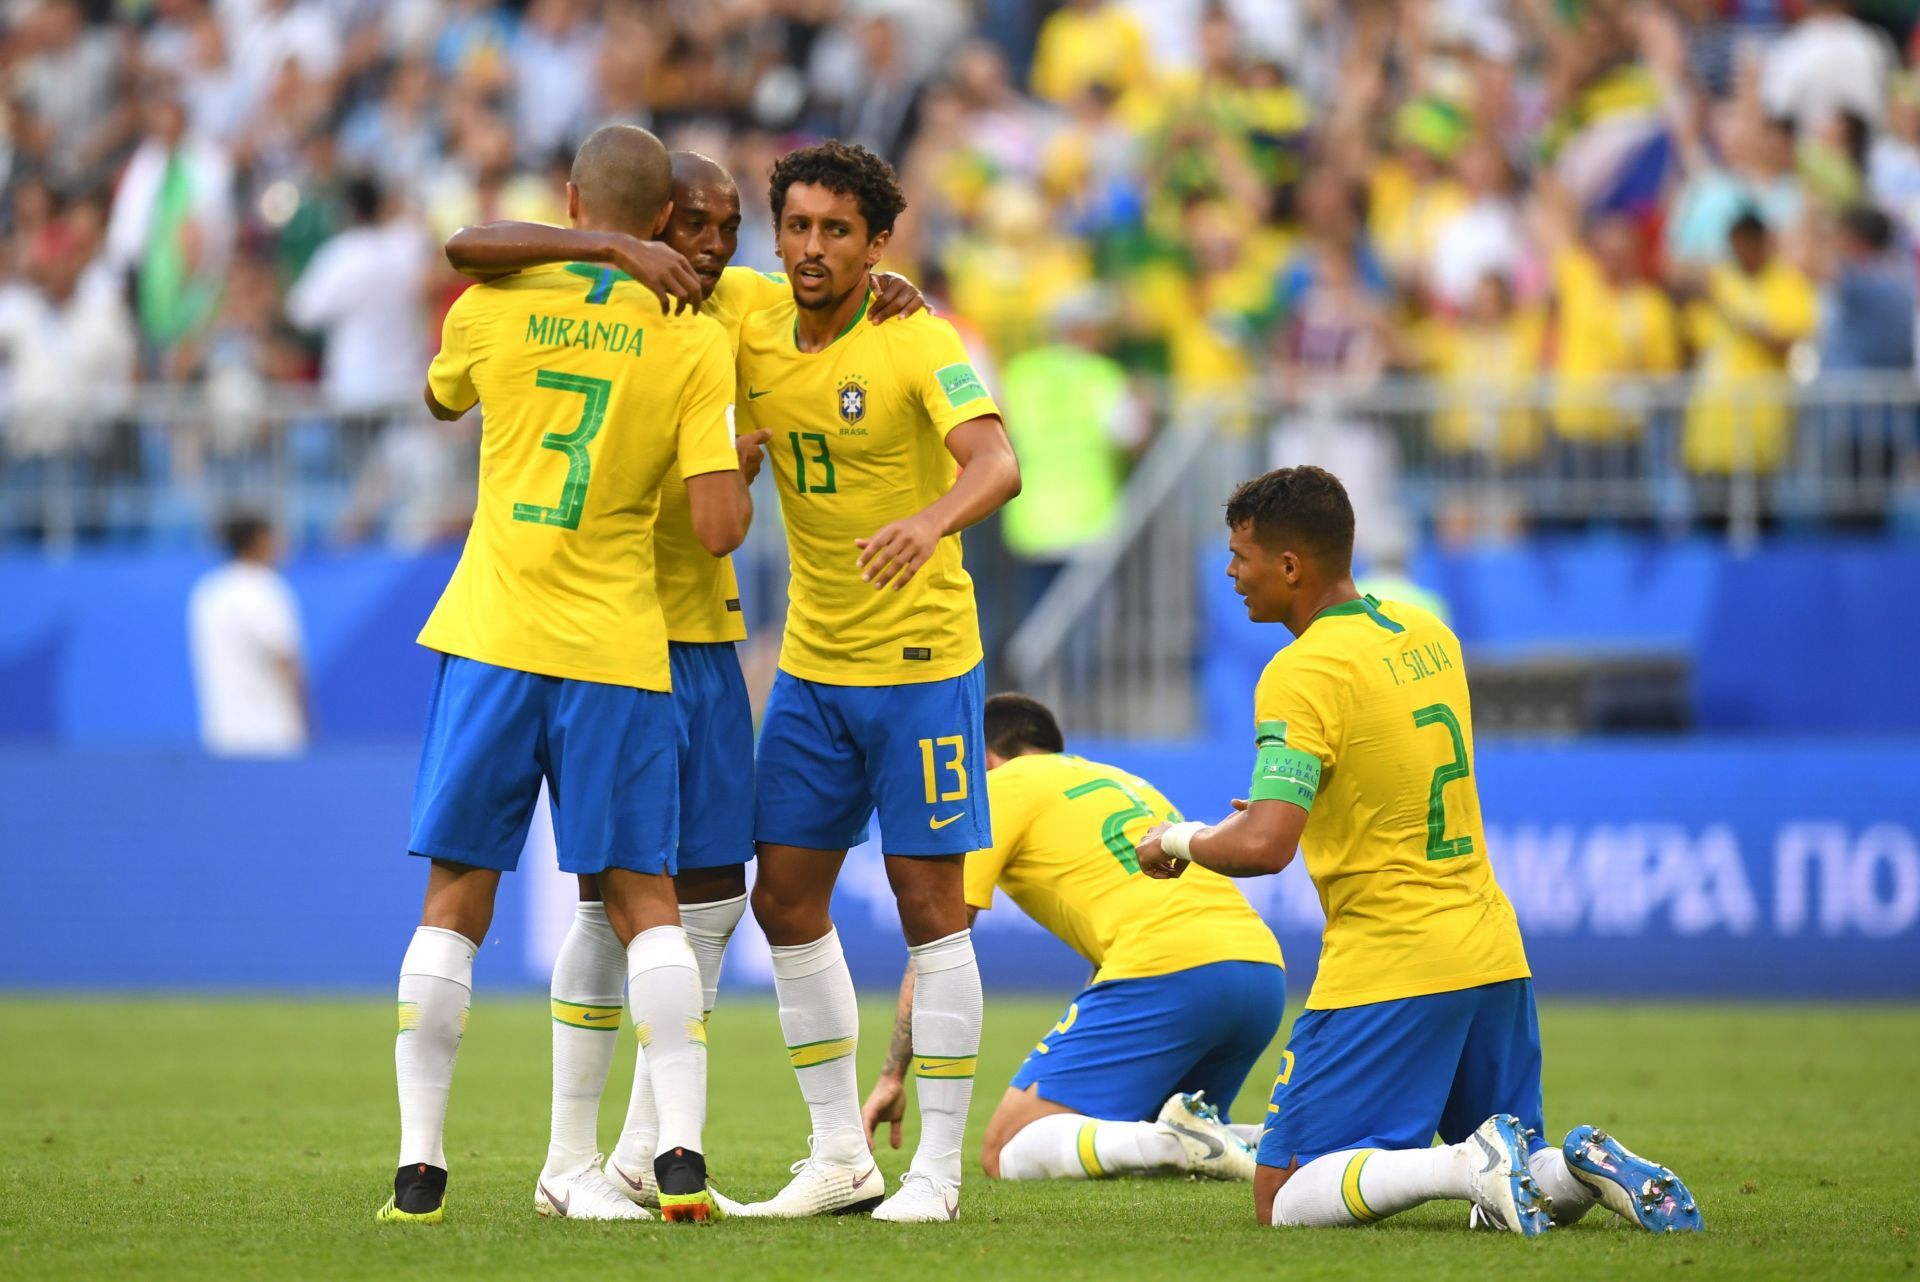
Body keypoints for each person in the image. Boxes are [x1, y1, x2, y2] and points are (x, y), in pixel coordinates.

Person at [440, 149, 927, 1217]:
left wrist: (884, 292)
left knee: (710, 895)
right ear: (653, 217)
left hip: (702, 644)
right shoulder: (589, 292)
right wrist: (610, 246)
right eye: (689, 225)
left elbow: (825, 291)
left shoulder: (737, 304)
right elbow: (472, 247)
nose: (709, 246)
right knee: (609, 899)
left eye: (724, 227)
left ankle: (675, 1145)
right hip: (610, 647)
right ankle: (573, 1158)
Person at [1134, 466, 1703, 1236]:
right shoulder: (1429, 634)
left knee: (1283, 1196)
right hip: (1491, 949)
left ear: (1291, 566)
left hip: (1392, 959)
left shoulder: (1299, 671)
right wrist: (1301, 803)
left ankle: (1465, 1165)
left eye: (1241, 555)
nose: (1231, 572)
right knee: (1525, 1171)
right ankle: (1576, 1168)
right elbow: (1380, 766)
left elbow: (1266, 847)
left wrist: (1178, 840)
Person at [375, 124, 751, 1227]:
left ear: (574, 196)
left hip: (492, 634)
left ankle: (420, 1168)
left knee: (455, 898)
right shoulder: (693, 335)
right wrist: (735, 454)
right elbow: (719, 529)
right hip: (617, 648)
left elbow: (443, 395)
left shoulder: (492, 306)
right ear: (666, 220)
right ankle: (678, 1150)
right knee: (645, 900)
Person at [733, 140, 1021, 1224]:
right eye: (799, 226)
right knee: (786, 896)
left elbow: (996, 461)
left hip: (920, 664)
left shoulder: (915, 334)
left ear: (878, 243)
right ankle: (839, 1155)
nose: (813, 247)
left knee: (928, 906)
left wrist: (930, 516)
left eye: (838, 230)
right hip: (812, 664)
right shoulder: (748, 316)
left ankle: (936, 1175)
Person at [860, 693, 1285, 1184]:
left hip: (1171, 970)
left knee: (1006, 1149)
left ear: (983, 755)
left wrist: (892, 1074)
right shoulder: (1121, 780)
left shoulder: (998, 787)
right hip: (1260, 973)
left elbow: (940, 945)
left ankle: (1181, 1139)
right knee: (1137, 1134)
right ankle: (1275, 1142)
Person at [186, 512, 308, 757]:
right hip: (272, 736)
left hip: (222, 734)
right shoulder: (266, 588)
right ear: (259, 542)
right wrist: (304, 721)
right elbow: (285, 661)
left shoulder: (207, 593)